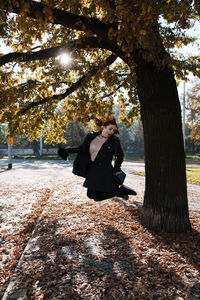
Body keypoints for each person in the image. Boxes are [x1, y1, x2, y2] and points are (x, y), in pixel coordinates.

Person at [58, 116, 136, 201]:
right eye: (110, 129)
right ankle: (119, 191)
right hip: (93, 168)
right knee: (90, 194)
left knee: (96, 196)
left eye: (114, 130)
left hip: (104, 169)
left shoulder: (114, 141)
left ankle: (119, 191)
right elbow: (82, 148)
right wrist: (67, 151)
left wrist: (117, 168)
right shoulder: (91, 136)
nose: (112, 132)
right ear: (104, 127)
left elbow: (120, 156)